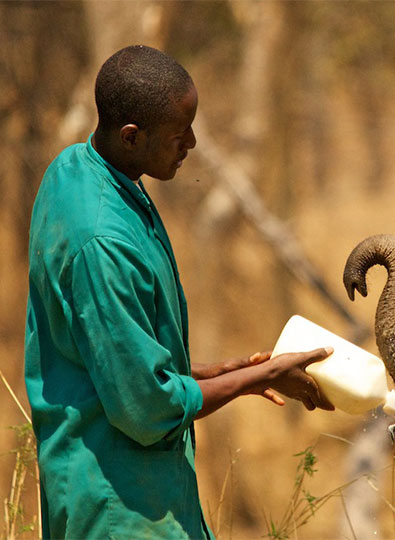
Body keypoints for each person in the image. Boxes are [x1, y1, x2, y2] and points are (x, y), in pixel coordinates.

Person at [24, 44, 333, 539]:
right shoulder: (103, 241)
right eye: (177, 134)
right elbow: (146, 410)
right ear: (131, 136)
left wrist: (220, 371)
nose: (190, 142)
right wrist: (257, 380)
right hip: (118, 504)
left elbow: (108, 354)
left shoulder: (76, 169)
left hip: (120, 480)